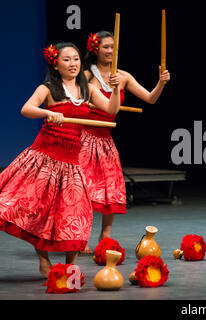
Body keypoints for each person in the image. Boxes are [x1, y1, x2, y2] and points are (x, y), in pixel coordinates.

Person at [0, 42, 122, 277]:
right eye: (67, 59)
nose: (73, 64)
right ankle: (43, 260)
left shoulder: (86, 89)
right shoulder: (48, 88)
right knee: (38, 213)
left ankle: (70, 266)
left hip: (72, 162)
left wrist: (115, 89)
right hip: (44, 158)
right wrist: (49, 112)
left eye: (76, 59)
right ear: (55, 64)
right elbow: (27, 109)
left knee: (74, 214)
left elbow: (110, 110)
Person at [79, 31, 171, 254]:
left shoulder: (123, 76)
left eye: (114, 47)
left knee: (110, 188)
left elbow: (150, 98)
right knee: (83, 190)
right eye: (106, 47)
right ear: (95, 49)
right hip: (84, 139)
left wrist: (160, 83)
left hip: (105, 140)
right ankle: (81, 236)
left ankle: (105, 235)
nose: (110, 51)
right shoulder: (85, 76)